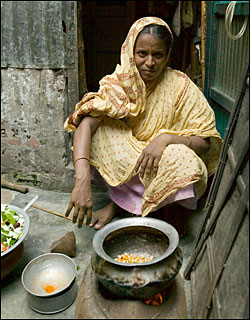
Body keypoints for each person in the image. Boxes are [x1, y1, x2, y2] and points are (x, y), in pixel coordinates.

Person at [64, 17, 222, 232]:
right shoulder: (118, 83)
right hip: (131, 161)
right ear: (130, 52)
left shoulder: (180, 85)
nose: (150, 62)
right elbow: (86, 125)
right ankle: (122, 205)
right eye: (142, 54)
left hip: (163, 161)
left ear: (167, 56)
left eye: (157, 55)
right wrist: (82, 181)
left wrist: (165, 139)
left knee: (187, 161)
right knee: (97, 130)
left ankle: (146, 209)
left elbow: (204, 143)